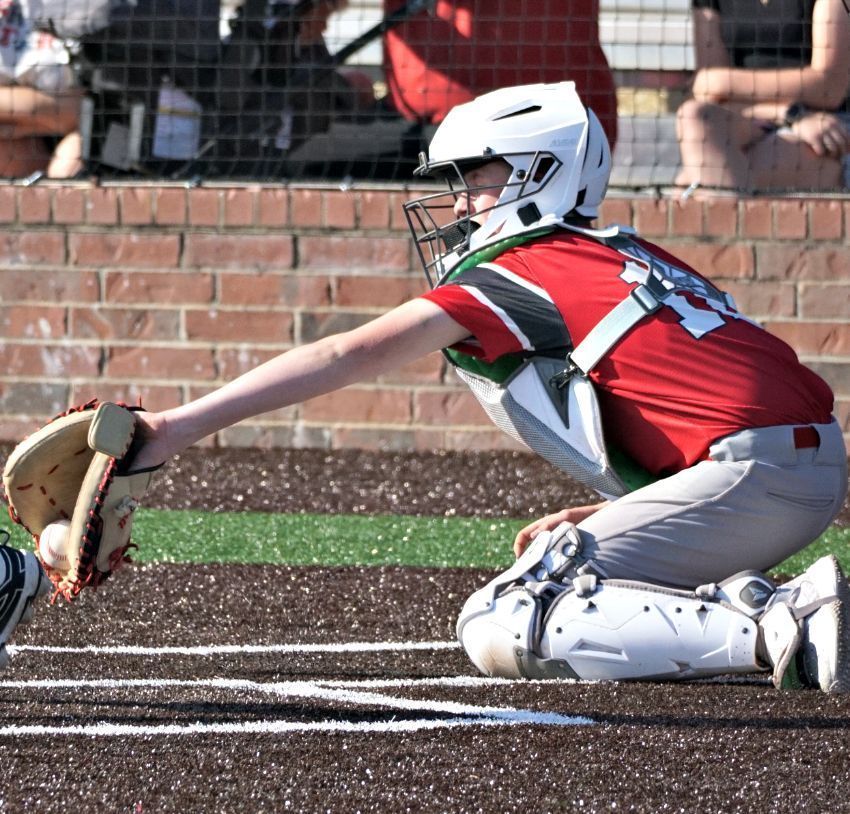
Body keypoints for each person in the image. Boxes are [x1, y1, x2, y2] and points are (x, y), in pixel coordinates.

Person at [3, 81, 848, 692]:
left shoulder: (529, 266)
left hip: (755, 475)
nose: (460, 203)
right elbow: (717, 395)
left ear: (536, 174)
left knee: (504, 620)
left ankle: (779, 627)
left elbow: (347, 355)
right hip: (785, 469)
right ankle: (769, 598)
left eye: (476, 180)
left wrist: (179, 424)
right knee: (593, 582)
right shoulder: (631, 251)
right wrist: (612, 512)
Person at [675, 0, 850, 191]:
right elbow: (707, 93)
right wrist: (787, 113)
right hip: (758, 114)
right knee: (694, 115)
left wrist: (723, 82)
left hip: (825, 125)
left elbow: (829, 87)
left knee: (698, 181)